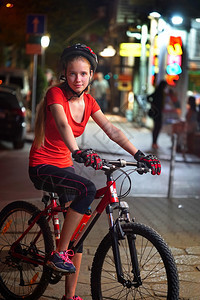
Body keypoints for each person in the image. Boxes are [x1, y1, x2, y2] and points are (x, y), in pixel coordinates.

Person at [28, 43, 161, 300]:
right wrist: (77, 150)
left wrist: (139, 154)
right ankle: (58, 253)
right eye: (73, 73)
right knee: (87, 188)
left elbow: (112, 131)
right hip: (43, 165)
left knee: (77, 233)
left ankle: (70, 295)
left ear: (91, 75)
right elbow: (63, 123)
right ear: (64, 74)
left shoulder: (89, 101)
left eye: (84, 74)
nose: (78, 79)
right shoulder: (56, 94)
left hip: (64, 165)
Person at [147, 80, 168, 149]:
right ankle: (154, 142)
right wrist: (153, 105)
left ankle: (155, 142)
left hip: (158, 112)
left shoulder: (161, 92)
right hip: (156, 113)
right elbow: (148, 97)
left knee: (157, 127)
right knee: (157, 127)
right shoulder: (158, 92)